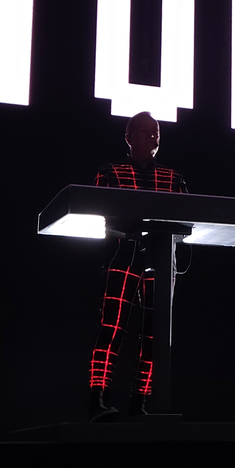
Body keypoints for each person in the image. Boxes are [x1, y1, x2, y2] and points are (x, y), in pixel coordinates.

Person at [86, 112, 188, 422]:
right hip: (123, 254)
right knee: (112, 327)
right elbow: (99, 208)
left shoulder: (173, 178)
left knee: (156, 334)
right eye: (145, 131)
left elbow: (188, 219)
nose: (152, 136)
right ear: (128, 137)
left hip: (162, 258)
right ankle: (98, 400)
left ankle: (140, 403)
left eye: (156, 132)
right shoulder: (110, 172)